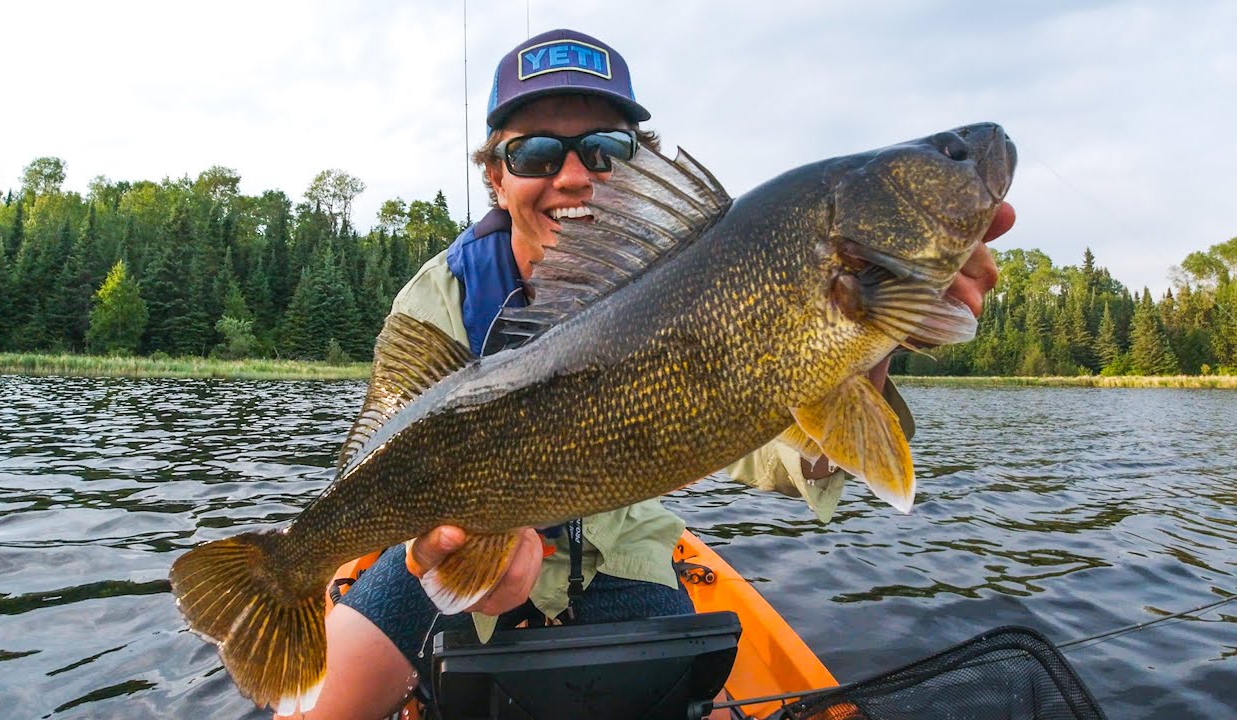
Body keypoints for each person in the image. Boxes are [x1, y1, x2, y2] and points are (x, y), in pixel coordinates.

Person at [283, 28, 1015, 719]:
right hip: (451, 540)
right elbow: (388, 451)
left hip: (618, 551)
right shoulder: (439, 299)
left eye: (605, 149)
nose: (574, 176)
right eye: (536, 153)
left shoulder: (710, 276)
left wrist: (870, 341)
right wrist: (443, 553)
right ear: (496, 178)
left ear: (639, 168)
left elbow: (798, 459)